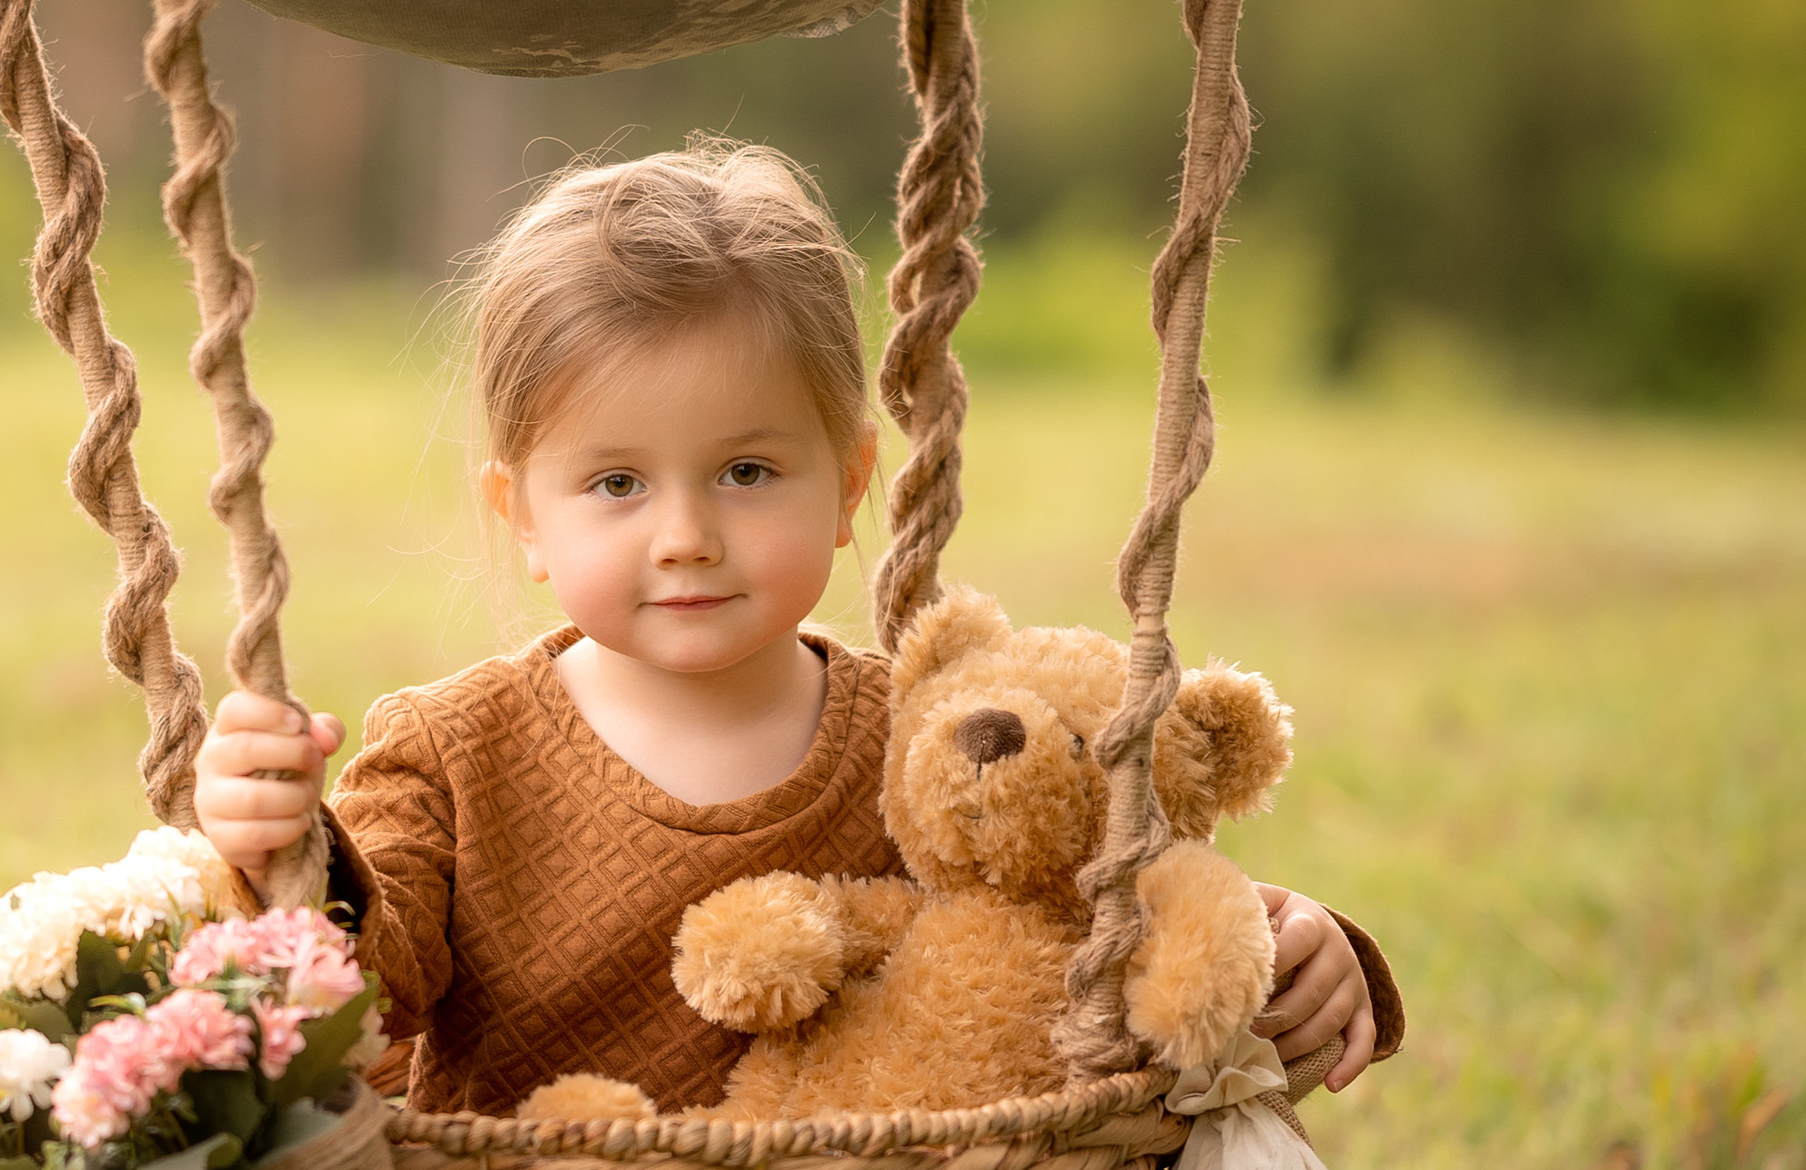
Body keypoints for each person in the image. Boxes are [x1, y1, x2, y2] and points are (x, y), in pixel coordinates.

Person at [193, 143, 1397, 1118]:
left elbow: (1080, 903)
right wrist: (281, 846)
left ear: (849, 484)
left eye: (748, 470)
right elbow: (359, 988)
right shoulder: (450, 755)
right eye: (615, 484)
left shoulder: (927, 741)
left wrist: (1300, 940)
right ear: (521, 515)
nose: (684, 535)